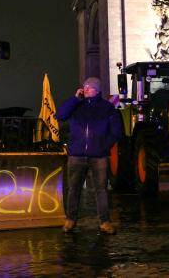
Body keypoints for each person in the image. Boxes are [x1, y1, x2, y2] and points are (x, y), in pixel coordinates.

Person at [56, 77, 123, 234]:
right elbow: (60, 115)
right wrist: (74, 99)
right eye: (85, 86)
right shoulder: (76, 105)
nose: (86, 89)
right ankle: (70, 220)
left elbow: (116, 131)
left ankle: (105, 222)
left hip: (98, 156)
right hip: (76, 155)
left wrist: (104, 146)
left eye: (90, 87)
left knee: (101, 190)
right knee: (73, 189)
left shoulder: (107, 108)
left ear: (98, 90)